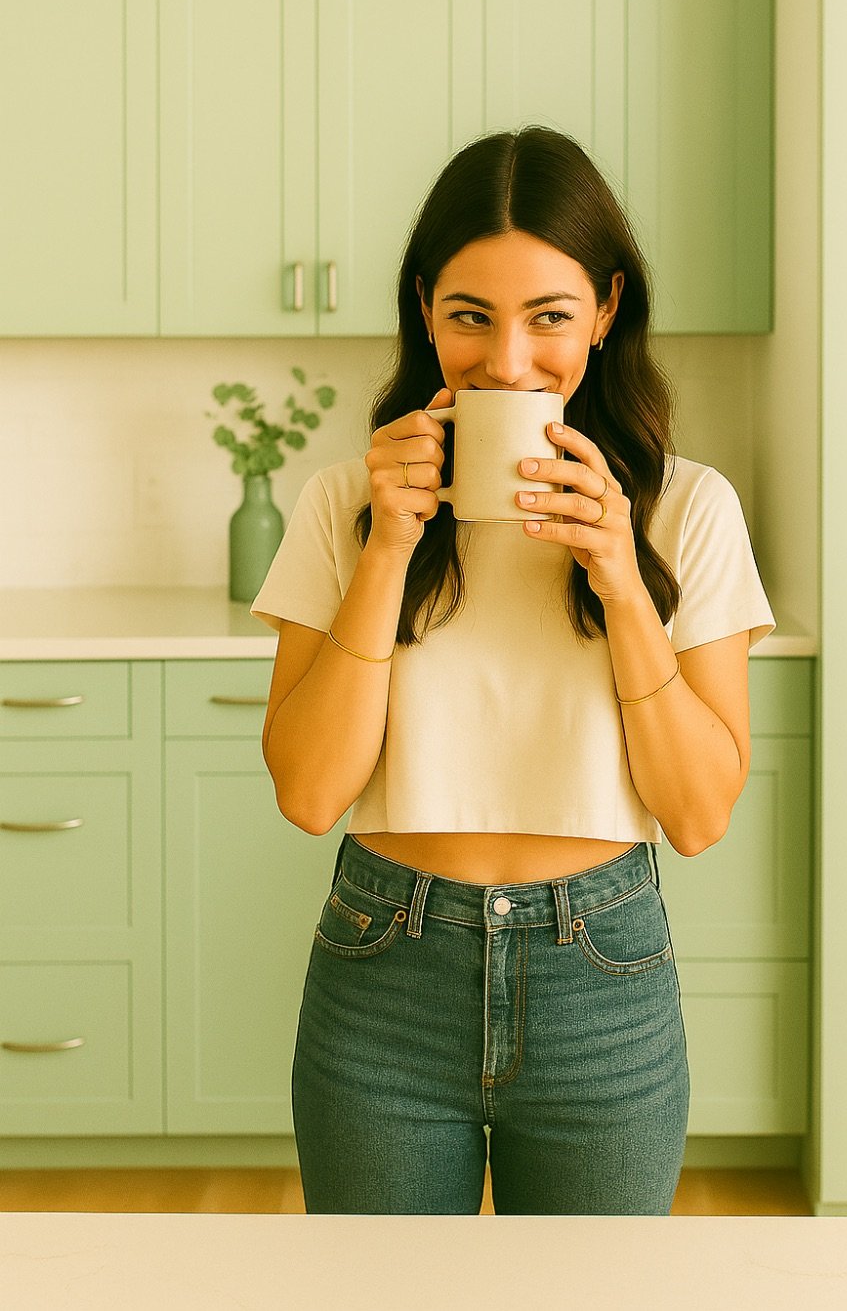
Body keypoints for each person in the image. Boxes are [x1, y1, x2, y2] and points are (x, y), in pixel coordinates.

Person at [251, 126, 776, 1215]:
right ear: (423, 310)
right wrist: (389, 547)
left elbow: (696, 813)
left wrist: (623, 580)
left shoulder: (689, 509)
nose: (507, 363)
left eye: (550, 317)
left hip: (603, 974)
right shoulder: (343, 505)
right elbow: (308, 794)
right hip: (384, 971)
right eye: (468, 318)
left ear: (607, 308)